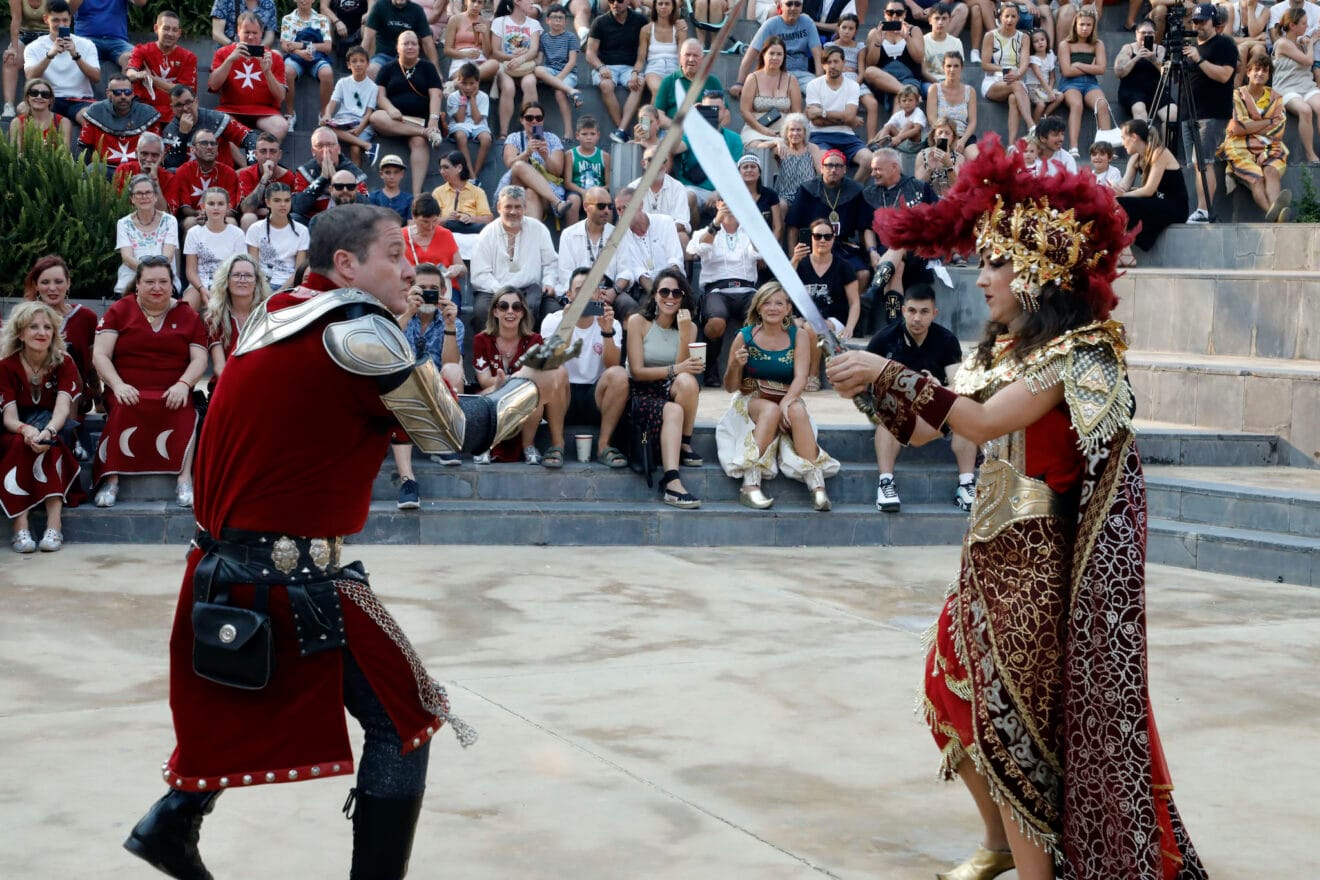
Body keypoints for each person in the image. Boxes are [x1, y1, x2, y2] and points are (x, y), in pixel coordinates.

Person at [122, 203, 557, 879]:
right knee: (407, 717)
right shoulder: (357, 333)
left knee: (236, 714)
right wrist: (533, 385)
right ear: (347, 264)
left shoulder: (285, 311)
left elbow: (402, 416)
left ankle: (173, 823)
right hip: (292, 575)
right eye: (394, 254)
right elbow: (453, 435)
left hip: (234, 563)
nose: (410, 267)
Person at [829, 133, 1207, 880]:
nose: (984, 275)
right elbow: (941, 419)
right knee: (948, 691)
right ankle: (1000, 845)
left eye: (999, 262)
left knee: (1018, 735)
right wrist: (869, 381)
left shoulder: (1081, 356)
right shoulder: (1006, 358)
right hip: (986, 556)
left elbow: (978, 424)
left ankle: (1035, 868)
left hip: (1035, 572)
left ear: (1039, 274)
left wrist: (887, 370)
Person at [91, 256, 208, 510]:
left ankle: (184, 479)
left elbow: (200, 358)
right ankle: (111, 479)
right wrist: (118, 385)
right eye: (150, 282)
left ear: (172, 284)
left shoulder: (188, 314)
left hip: (172, 387)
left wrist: (184, 384)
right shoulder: (119, 310)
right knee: (124, 406)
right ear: (138, 285)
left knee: (184, 408)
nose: (157, 287)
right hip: (127, 386)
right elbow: (100, 355)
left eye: (163, 282)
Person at [717, 281, 838, 511]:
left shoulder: (799, 335)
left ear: (788, 308)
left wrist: (786, 402)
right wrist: (734, 364)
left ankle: (817, 485)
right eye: (767, 303)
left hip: (786, 394)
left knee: (797, 410)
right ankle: (750, 484)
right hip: (751, 398)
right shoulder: (744, 337)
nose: (773, 307)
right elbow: (731, 387)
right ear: (758, 307)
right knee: (770, 410)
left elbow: (801, 377)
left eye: (779, 303)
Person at [864, 284, 975, 512]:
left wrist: (939, 387)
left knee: (967, 407)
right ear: (903, 310)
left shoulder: (946, 340)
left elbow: (958, 383)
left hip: (935, 409)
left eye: (924, 312)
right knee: (887, 415)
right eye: (912, 311)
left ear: (934, 313)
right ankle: (886, 483)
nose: (917, 318)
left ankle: (966, 483)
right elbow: (867, 384)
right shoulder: (883, 339)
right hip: (896, 410)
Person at [0, 301, 84, 554]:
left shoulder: (64, 362)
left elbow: (62, 410)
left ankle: (53, 525)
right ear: (21, 333)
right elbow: (9, 418)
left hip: (54, 425)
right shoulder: (5, 366)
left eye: (47, 327)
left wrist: (46, 432)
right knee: (19, 445)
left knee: (51, 444)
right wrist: (27, 431)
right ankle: (20, 524)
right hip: (14, 430)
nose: (42, 332)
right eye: (33, 327)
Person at [624, 268, 702, 509]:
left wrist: (685, 332)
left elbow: (683, 370)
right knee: (674, 409)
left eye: (676, 292)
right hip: (640, 391)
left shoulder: (690, 328)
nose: (670, 297)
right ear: (655, 295)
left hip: (669, 388)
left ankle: (684, 442)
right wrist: (674, 370)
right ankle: (671, 481)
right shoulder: (639, 322)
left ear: (684, 297)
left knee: (690, 382)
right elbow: (636, 371)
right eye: (664, 291)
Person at [540, 267, 631, 468]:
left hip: (595, 396)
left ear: (599, 294)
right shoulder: (553, 320)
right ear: (569, 295)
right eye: (579, 290)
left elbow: (612, 366)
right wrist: (568, 324)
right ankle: (557, 444)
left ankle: (604, 445)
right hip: (561, 395)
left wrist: (607, 332)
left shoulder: (611, 322)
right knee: (555, 370)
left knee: (619, 374)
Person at [392, 261, 466, 504]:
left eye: (434, 288)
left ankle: (445, 441)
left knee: (454, 370)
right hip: (402, 386)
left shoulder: (452, 320)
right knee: (398, 382)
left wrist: (450, 326)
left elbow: (451, 362)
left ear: (443, 292)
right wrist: (409, 313)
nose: (428, 293)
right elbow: (386, 348)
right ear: (410, 289)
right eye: (422, 287)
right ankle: (407, 479)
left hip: (436, 387)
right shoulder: (397, 315)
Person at [472, 285, 570, 465]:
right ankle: (487, 445)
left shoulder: (534, 340)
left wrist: (511, 382)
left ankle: (529, 446)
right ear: (495, 311)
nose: (510, 312)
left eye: (516, 307)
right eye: (503, 306)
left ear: (523, 312)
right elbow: (485, 381)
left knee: (534, 392)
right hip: (491, 392)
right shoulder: (481, 339)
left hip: (523, 398)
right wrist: (506, 383)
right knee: (490, 397)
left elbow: (536, 379)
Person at [687, 196, 760, 388]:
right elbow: (696, 250)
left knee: (760, 320)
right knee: (716, 322)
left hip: (747, 288)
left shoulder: (750, 231)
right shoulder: (705, 230)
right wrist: (717, 222)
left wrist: (750, 223)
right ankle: (711, 367)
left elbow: (761, 253)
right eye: (725, 200)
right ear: (718, 204)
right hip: (717, 289)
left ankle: (750, 369)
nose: (730, 204)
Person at [469, 184, 560, 330]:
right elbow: (480, 275)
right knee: (482, 311)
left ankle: (536, 351)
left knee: (554, 313)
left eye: (518, 207)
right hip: (495, 290)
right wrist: (502, 293)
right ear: (499, 207)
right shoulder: (486, 234)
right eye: (508, 206)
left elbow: (551, 263)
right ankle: (492, 352)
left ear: (525, 207)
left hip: (530, 289)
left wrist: (549, 282)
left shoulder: (539, 229)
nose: (513, 211)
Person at [22, 255, 99, 424]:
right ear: (36, 285)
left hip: (75, 396)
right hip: (33, 397)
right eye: (45, 282)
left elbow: (92, 364)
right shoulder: (24, 317)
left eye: (58, 281)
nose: (52, 288)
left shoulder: (86, 317)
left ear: (68, 283)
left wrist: (99, 401)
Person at [1182, 2, 1239, 222]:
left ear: (1214, 23)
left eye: (1203, 21)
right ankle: (1201, 209)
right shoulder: (1191, 46)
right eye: (1195, 21)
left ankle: (1204, 210)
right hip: (1190, 112)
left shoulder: (1223, 44)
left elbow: (1225, 75)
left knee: (1204, 162)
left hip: (1212, 113)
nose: (1198, 25)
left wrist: (1199, 59)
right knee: (1197, 164)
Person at [369, 30, 444, 197]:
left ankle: (417, 195)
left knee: (419, 142)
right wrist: (390, 109)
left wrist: (433, 121)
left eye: (414, 43)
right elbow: (380, 97)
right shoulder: (387, 68)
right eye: (405, 43)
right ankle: (425, 133)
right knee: (375, 117)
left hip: (420, 119)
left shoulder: (428, 67)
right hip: (394, 119)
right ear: (397, 47)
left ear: (419, 47)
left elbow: (436, 95)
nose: (410, 47)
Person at [1219, 52, 1292, 221]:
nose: (1260, 73)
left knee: (1271, 171)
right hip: (1239, 146)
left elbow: (1279, 128)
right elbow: (1236, 128)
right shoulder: (1237, 95)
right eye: (1256, 69)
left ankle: (1276, 214)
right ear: (1248, 72)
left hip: (1270, 146)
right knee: (1257, 178)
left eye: (1265, 70)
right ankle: (1276, 218)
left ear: (1269, 74)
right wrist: (1267, 122)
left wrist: (1250, 126)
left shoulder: (1276, 97)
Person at [792, 215, 859, 385]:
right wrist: (794, 260)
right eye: (817, 236)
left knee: (811, 326)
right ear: (811, 238)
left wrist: (850, 326)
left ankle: (813, 375)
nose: (822, 240)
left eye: (827, 236)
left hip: (834, 319)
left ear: (833, 239)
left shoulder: (844, 266)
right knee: (804, 326)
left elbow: (854, 302)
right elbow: (784, 290)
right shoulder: (800, 263)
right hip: (802, 317)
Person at [208, 12, 290, 142]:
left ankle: (258, 159)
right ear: (238, 31)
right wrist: (229, 61)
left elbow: (281, 96)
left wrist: (267, 72)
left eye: (255, 33)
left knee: (281, 126)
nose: (251, 37)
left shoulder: (273, 57)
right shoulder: (223, 53)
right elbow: (213, 85)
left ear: (261, 32)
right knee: (216, 122)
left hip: (265, 111)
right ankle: (244, 161)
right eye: (246, 32)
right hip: (231, 109)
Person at [497, 99, 577, 222]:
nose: (534, 121)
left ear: (543, 120)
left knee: (530, 192)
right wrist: (527, 153)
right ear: (522, 120)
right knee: (518, 166)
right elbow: (510, 164)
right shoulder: (513, 138)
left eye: (538, 118)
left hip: (545, 193)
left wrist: (545, 156)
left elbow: (557, 172)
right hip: (517, 189)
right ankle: (557, 202)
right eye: (529, 118)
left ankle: (531, 237)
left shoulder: (552, 139)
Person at [203, 252, 272, 391]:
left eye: (248, 275)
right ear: (226, 281)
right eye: (236, 275)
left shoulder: (269, 313)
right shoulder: (215, 317)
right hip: (227, 387)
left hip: (262, 386)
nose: (242, 279)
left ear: (256, 281)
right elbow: (219, 367)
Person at [22, 0, 99, 123]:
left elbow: (96, 78)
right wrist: (49, 56)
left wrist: (76, 56)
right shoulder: (34, 47)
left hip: (79, 100)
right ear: (46, 19)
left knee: (90, 118)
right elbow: (30, 77)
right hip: (48, 99)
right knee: (22, 109)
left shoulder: (86, 44)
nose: (61, 25)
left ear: (70, 19)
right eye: (56, 20)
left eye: (65, 20)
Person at [1056, 5, 1118, 156]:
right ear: (1075, 25)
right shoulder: (1065, 44)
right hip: (1070, 84)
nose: (1084, 28)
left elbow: (1101, 69)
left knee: (1102, 104)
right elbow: (1067, 71)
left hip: (1090, 83)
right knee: (1077, 105)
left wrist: (1078, 64)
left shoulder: (1097, 44)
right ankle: (1073, 147)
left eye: (1088, 25)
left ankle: (1107, 147)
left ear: (1093, 26)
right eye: (1081, 24)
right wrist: (1090, 67)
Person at [610, 184, 685, 308]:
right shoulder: (620, 235)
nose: (623, 213)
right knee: (648, 307)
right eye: (619, 209)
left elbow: (675, 260)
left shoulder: (665, 222)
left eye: (626, 207)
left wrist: (668, 290)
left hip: (674, 284)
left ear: (640, 205)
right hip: (647, 290)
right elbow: (638, 272)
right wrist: (658, 294)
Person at [585, 0, 648, 144]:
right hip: (606, 66)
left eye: (619, 0)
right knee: (606, 85)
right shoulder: (599, 22)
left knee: (640, 82)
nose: (615, 3)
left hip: (630, 67)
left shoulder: (640, 20)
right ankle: (622, 130)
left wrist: (635, 72)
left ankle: (620, 130)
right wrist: (601, 67)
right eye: (610, 0)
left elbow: (643, 52)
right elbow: (590, 53)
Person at [731, 0, 823, 97]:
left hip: (801, 74)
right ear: (780, 6)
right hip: (775, 72)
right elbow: (751, 54)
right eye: (789, 4)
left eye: (797, 4)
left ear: (801, 7)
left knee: (818, 90)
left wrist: (820, 81)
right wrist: (739, 83)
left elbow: (818, 55)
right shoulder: (770, 24)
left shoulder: (807, 23)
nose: (793, 8)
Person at [76, 71, 162, 171]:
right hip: (105, 170)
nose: (123, 96)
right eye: (117, 92)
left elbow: (157, 149)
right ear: (108, 93)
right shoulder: (95, 112)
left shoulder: (148, 114)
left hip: (139, 169)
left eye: (127, 92)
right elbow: (83, 148)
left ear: (133, 93)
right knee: (92, 170)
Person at [126, 10, 199, 125]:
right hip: (144, 115)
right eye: (166, 28)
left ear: (179, 33)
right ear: (156, 28)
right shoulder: (141, 50)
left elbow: (184, 92)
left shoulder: (189, 57)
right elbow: (129, 74)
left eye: (174, 30)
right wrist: (139, 75)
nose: (170, 34)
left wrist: (152, 79)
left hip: (175, 117)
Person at [161, 84, 258, 170]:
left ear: (196, 101)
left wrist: (252, 167)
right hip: (189, 186)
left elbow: (250, 137)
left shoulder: (216, 119)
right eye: (178, 105)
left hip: (223, 181)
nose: (185, 108)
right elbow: (171, 167)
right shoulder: (169, 132)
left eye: (188, 102)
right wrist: (182, 134)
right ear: (172, 108)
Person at [116, 173, 181, 296]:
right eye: (139, 193)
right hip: (131, 280)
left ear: (156, 196)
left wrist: (153, 278)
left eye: (148, 192)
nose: (144, 197)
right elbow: (127, 259)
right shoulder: (123, 223)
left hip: (163, 279)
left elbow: (168, 257)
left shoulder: (170, 221)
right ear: (132, 199)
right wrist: (147, 277)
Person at [184, 188, 250, 309]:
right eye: (211, 203)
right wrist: (201, 289)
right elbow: (191, 271)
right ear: (203, 206)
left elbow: (239, 268)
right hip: (200, 284)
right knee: (186, 308)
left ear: (228, 207)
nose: (216, 208)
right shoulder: (193, 233)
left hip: (227, 284)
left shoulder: (237, 234)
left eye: (220, 204)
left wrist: (221, 289)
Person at [292, 125, 369, 224]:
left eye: (330, 145)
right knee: (293, 218)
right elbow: (297, 207)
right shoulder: (306, 171)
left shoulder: (352, 170)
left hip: (347, 222)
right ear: (313, 152)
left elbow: (366, 205)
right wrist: (322, 179)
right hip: (314, 224)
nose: (326, 150)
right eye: (320, 146)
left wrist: (337, 181)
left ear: (338, 148)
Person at [1272, 7, 1320, 165]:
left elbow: (1301, 41)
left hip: (1306, 85)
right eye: (1304, 23)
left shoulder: (1298, 41)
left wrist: (1306, 40)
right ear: (1292, 26)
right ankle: (1310, 154)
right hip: (1287, 88)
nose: (1307, 26)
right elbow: (1308, 61)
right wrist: (1312, 43)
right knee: (1305, 110)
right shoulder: (1282, 44)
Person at [979, 2, 1033, 143]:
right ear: (1000, 17)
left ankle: (1011, 144)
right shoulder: (990, 36)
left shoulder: (1024, 37)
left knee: (1014, 98)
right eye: (1006, 16)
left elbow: (1024, 64)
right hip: (993, 81)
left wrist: (1017, 74)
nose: (1009, 20)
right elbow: (985, 64)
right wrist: (1004, 70)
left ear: (1018, 18)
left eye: (1013, 16)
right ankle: (1031, 125)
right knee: (1016, 85)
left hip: (1015, 79)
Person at [490, 0, 543, 141]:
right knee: (508, 87)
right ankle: (503, 133)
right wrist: (511, 58)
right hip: (505, 66)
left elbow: (533, 50)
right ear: (517, 2)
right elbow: (495, 51)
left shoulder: (534, 24)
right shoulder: (500, 21)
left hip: (525, 66)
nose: (533, 2)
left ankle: (534, 132)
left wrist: (520, 59)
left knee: (530, 83)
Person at [739, 35, 803, 148]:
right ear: (764, 54)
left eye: (779, 54)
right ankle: (770, 145)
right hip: (756, 130)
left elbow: (796, 113)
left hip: (785, 132)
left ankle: (777, 143)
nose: (775, 57)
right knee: (758, 146)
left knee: (789, 146)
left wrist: (789, 132)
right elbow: (745, 111)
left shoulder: (791, 80)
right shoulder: (753, 78)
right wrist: (763, 130)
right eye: (771, 53)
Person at [321, 44, 379, 168]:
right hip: (343, 121)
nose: (358, 64)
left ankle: (357, 183)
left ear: (367, 64)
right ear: (348, 65)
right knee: (327, 127)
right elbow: (333, 102)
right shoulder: (343, 82)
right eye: (354, 61)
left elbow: (369, 112)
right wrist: (327, 114)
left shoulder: (373, 87)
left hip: (362, 124)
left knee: (355, 148)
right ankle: (368, 146)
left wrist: (359, 129)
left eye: (362, 61)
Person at [280, 0, 336, 127]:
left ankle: (323, 115)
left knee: (327, 73)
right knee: (287, 72)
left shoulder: (322, 19)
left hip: (317, 57)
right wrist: (299, 52)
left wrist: (302, 45)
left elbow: (327, 47)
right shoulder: (287, 19)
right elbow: (284, 44)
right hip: (295, 57)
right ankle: (290, 115)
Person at [401, 195, 465, 305]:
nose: (431, 226)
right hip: (411, 289)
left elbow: (463, 269)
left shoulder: (445, 234)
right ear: (414, 217)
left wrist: (457, 269)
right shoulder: (401, 236)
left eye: (435, 221)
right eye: (425, 222)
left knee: (450, 308)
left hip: (443, 289)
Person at [246, 182, 310, 288]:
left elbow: (299, 272)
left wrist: (280, 292)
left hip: (289, 284)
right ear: (267, 202)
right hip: (261, 285)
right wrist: (264, 291)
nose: (283, 204)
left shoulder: (302, 231)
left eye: (287, 200)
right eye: (277, 200)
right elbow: (254, 268)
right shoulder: (255, 229)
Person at [237, 131, 305, 229]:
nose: (268, 156)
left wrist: (268, 211)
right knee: (248, 217)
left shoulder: (289, 177)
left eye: (272, 151)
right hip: (255, 222)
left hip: (279, 221)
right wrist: (264, 178)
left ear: (279, 155)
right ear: (255, 154)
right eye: (263, 151)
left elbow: (292, 209)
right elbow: (246, 209)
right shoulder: (246, 174)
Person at [628, 145, 694, 246]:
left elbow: (682, 222)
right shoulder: (633, 188)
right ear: (643, 163)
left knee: (683, 237)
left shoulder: (677, 187)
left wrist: (661, 233)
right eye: (651, 160)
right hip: (641, 236)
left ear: (666, 164)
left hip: (669, 236)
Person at [654, 37, 726, 128]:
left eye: (695, 55)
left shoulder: (713, 81)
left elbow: (725, 113)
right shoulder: (668, 81)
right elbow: (658, 114)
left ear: (702, 59)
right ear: (680, 58)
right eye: (687, 55)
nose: (691, 59)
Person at [556, 185, 615, 295]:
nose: (607, 210)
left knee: (628, 305)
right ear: (586, 206)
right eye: (601, 206)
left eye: (610, 206)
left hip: (610, 292)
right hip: (578, 293)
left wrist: (614, 291)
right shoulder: (569, 235)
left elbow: (625, 271)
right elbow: (565, 274)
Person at [362, 0, 441, 75]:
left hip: (408, 59)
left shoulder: (417, 10)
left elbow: (427, 42)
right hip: (383, 57)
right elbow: (367, 39)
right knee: (371, 71)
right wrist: (360, 61)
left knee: (423, 78)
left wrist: (436, 71)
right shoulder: (380, 6)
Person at [1113, 19, 1168, 123]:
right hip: (1132, 90)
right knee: (1140, 110)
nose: (1146, 35)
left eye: (1150, 33)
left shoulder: (1160, 49)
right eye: (1143, 33)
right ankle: (1143, 138)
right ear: (1136, 34)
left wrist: (1154, 60)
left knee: (1172, 115)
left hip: (1156, 91)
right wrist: (1136, 58)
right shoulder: (1128, 48)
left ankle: (1164, 139)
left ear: (1155, 34)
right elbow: (1118, 72)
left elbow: (1167, 74)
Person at [925, 51, 978, 156]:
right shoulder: (934, 89)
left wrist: (962, 141)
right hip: (941, 135)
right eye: (948, 66)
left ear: (962, 68)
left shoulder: (970, 91)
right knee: (939, 159)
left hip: (963, 136)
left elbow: (972, 122)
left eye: (956, 66)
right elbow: (932, 119)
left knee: (975, 156)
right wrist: (947, 140)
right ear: (943, 67)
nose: (952, 70)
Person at [446, 61, 494, 176]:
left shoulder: (483, 97)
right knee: (461, 136)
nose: (468, 87)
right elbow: (460, 120)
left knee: (486, 139)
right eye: (464, 83)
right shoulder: (453, 97)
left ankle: (475, 173)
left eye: (471, 83)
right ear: (458, 81)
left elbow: (477, 119)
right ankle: (470, 172)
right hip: (460, 125)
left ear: (477, 82)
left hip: (479, 125)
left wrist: (472, 98)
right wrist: (463, 99)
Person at [432, 149, 494, 234]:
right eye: (441, 168)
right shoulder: (438, 192)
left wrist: (471, 218)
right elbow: (431, 221)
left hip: (472, 234)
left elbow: (488, 219)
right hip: (447, 234)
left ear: (459, 168)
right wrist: (447, 218)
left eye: (446, 167)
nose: (441, 171)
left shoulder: (477, 191)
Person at [639, 0, 687, 108]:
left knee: (676, 95)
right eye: (660, 4)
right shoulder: (646, 29)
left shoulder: (680, 29)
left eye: (667, 4)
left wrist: (682, 74)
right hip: (654, 68)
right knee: (658, 90)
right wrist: (635, 72)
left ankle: (654, 123)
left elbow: (682, 56)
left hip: (674, 68)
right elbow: (641, 58)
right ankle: (646, 125)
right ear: (655, 7)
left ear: (673, 7)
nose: (663, 7)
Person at [772, 111, 823, 209]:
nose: (795, 133)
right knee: (781, 204)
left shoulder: (812, 148)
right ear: (786, 132)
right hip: (785, 195)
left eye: (799, 130)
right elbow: (760, 146)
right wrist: (776, 142)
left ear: (805, 132)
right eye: (792, 130)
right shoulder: (781, 148)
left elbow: (821, 173)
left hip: (807, 193)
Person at [9, 77, 73, 150]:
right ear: (27, 97)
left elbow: (64, 154)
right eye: (34, 93)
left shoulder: (63, 122)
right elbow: (15, 154)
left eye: (45, 94)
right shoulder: (17, 122)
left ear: (51, 100)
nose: (39, 97)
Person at [442, 0, 498, 83]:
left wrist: (485, 34)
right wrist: (465, 54)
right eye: (472, 1)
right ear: (466, 2)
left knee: (494, 64)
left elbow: (487, 53)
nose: (475, 5)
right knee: (462, 72)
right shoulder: (455, 19)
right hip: (460, 59)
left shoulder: (485, 22)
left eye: (479, 2)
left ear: (483, 5)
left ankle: (456, 83)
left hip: (479, 59)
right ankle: (465, 80)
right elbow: (447, 50)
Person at [914, 116, 964, 197]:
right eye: (940, 132)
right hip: (929, 201)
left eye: (947, 133)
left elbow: (958, 188)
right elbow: (918, 188)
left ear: (953, 138)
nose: (943, 136)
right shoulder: (922, 155)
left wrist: (949, 165)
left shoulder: (959, 158)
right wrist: (929, 169)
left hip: (950, 202)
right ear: (934, 136)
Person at [211, 0, 279, 47]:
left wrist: (258, 50)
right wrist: (234, 46)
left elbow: (269, 36)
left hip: (257, 53)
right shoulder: (224, 1)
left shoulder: (269, 3)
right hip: (229, 51)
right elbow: (217, 33)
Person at [369, 153, 415, 220]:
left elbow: (410, 225)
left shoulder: (409, 199)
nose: (392, 177)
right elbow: (370, 222)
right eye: (387, 172)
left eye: (396, 172)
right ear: (381, 174)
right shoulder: (373, 197)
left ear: (402, 174)